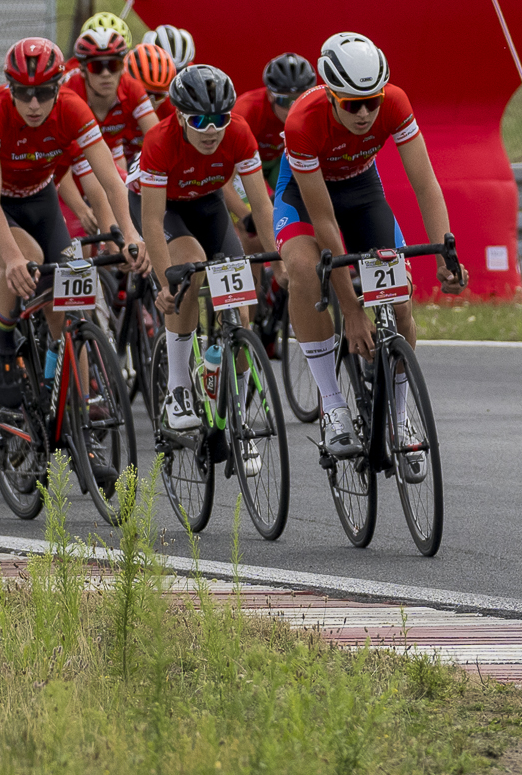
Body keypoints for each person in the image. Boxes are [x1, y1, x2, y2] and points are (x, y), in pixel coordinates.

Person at [273, 32, 466, 458]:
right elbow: (323, 222)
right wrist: (351, 308)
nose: (364, 114)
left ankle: (399, 414)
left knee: (399, 300)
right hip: (307, 199)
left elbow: (425, 184)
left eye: (371, 101)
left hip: (362, 192)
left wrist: (445, 253)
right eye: (351, 104)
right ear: (331, 97)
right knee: (305, 270)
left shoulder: (395, 102)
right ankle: (333, 406)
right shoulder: (302, 121)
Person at [0, 39, 142, 408]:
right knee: (25, 257)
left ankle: (74, 412)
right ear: (9, 88)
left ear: (59, 87)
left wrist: (128, 235)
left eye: (44, 93)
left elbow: (110, 180)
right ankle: (1, 343)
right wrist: (11, 258)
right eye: (23, 93)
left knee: (69, 301)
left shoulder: (73, 109)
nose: (33, 104)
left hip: (39, 199)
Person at [135, 64, 278, 435]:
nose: (212, 129)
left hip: (207, 202)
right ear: (180, 116)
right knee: (189, 269)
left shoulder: (239, 133)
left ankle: (239, 415)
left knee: (241, 312)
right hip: (164, 207)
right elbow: (152, 221)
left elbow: (262, 206)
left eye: (220, 118)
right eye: (200, 121)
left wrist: (281, 259)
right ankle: (178, 389)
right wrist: (166, 282)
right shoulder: (159, 142)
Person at [63, 14, 159, 186]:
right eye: (97, 67)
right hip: (69, 165)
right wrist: (83, 210)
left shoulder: (131, 87)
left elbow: (158, 138)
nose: (106, 74)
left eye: (113, 65)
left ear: (123, 67)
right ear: (83, 70)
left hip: (112, 155)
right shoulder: (69, 93)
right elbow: (61, 163)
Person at [234, 52, 318, 191]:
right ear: (269, 95)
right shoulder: (245, 112)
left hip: (279, 163)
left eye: (299, 99)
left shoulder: (315, 110)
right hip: (243, 164)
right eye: (284, 101)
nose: (293, 108)